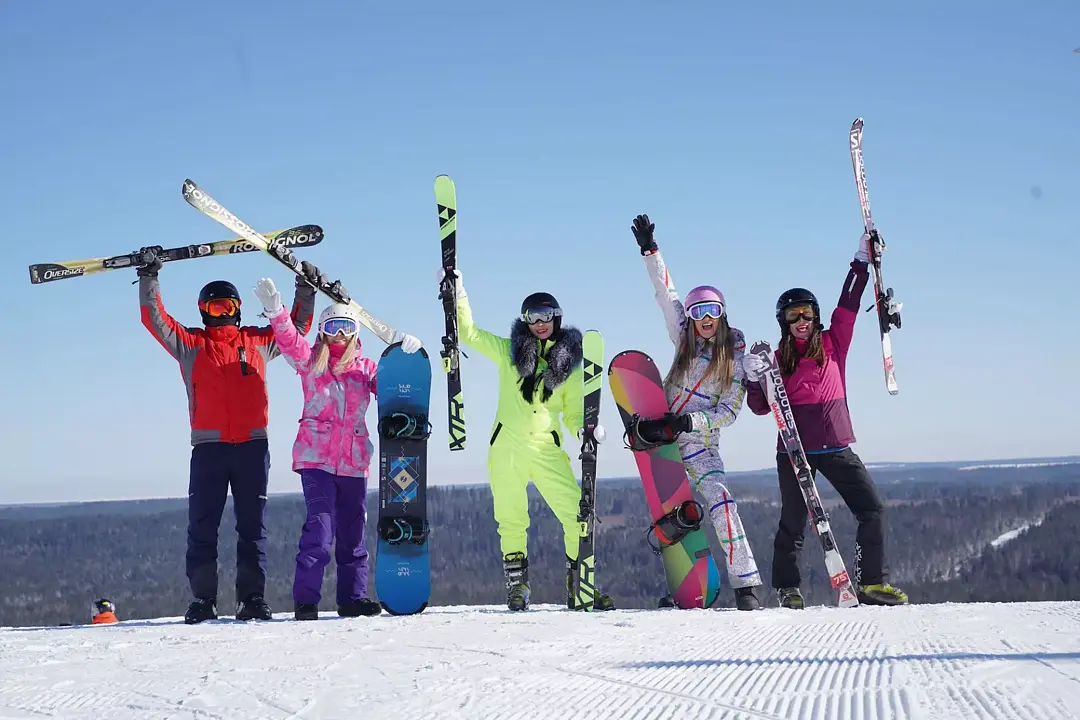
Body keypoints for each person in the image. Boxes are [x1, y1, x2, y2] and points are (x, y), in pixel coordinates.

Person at [136, 247, 321, 624]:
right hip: (209, 449)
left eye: (228, 306)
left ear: (238, 308)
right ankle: (203, 600)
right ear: (203, 311)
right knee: (202, 527)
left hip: (252, 447)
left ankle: (251, 599)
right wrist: (149, 278)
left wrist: (306, 289)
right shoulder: (191, 344)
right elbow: (156, 321)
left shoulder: (257, 341)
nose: (222, 313)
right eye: (215, 307)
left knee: (252, 528)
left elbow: (295, 331)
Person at [741, 232, 909, 608]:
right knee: (794, 522)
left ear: (815, 315)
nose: (801, 320)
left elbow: (849, 302)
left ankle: (871, 583)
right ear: (783, 321)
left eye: (806, 313)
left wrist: (861, 261)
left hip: (835, 445)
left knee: (872, 509)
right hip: (795, 451)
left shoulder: (834, 342)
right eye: (793, 315)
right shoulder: (776, 359)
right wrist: (752, 378)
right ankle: (788, 588)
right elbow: (760, 407)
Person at [437, 266, 615, 612]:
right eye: (533, 316)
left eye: (546, 315)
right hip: (507, 447)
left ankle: (579, 585)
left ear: (557, 317)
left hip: (546, 447)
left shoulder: (570, 367)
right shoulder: (509, 353)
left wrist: (583, 429)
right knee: (511, 517)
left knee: (576, 513)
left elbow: (573, 411)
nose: (540, 322)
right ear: (525, 320)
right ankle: (517, 586)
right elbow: (470, 334)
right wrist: (459, 292)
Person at [252, 277, 423, 621]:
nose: (340, 335)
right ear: (323, 332)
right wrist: (276, 311)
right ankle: (306, 601)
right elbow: (289, 341)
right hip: (316, 461)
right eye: (333, 328)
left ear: (356, 333)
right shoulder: (311, 362)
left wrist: (404, 353)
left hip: (353, 464)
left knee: (353, 533)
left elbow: (393, 386)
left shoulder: (366, 369)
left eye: (346, 327)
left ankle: (352, 599)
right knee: (320, 529)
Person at [628, 214, 764, 611]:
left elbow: (729, 411)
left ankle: (746, 584)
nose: (705, 319)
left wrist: (691, 421)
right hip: (664, 439)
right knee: (673, 517)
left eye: (712, 311)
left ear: (722, 314)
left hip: (701, 445)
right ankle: (684, 588)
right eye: (699, 311)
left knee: (721, 503)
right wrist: (650, 252)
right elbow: (665, 293)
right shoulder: (683, 340)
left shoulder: (733, 357)